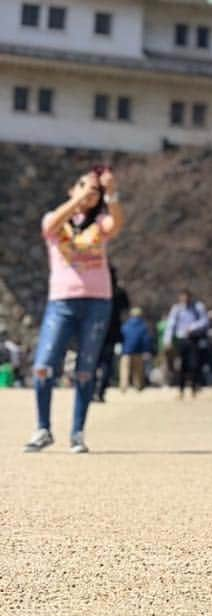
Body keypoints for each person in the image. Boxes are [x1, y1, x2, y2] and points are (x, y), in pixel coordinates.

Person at [24, 165, 125, 453]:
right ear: (72, 189)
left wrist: (112, 194)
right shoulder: (57, 222)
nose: (90, 194)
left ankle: (77, 432)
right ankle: (43, 428)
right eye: (84, 187)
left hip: (97, 301)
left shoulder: (100, 222)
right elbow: (49, 226)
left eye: (95, 190)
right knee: (44, 365)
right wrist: (77, 199)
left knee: (85, 368)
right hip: (62, 301)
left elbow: (116, 224)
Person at [164, 289, 209, 397]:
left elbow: (205, 321)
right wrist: (167, 340)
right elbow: (171, 325)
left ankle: (193, 387)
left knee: (194, 364)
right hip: (181, 340)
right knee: (180, 365)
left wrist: (193, 327)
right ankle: (181, 389)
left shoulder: (198, 307)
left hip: (194, 339)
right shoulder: (176, 309)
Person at [94, 264, 129, 402]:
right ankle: (101, 391)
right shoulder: (118, 291)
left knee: (94, 361)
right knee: (107, 362)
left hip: (97, 330)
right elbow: (126, 306)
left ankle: (92, 389)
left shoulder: (98, 289)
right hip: (113, 331)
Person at [119, 307, 154, 392]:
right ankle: (138, 386)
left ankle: (123, 386)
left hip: (126, 351)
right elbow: (146, 340)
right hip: (138, 351)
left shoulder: (125, 325)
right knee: (138, 371)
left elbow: (121, 337)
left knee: (124, 370)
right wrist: (146, 350)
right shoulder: (143, 326)